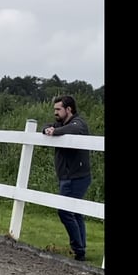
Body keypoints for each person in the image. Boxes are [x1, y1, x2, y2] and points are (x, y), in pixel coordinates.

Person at [42, 95, 91, 261]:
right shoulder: (61, 123)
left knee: (65, 211)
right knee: (75, 213)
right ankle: (80, 249)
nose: (55, 112)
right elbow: (46, 126)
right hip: (68, 176)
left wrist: (55, 132)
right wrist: (48, 129)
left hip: (76, 176)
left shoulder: (78, 123)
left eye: (58, 109)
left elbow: (74, 130)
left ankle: (78, 250)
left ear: (68, 109)